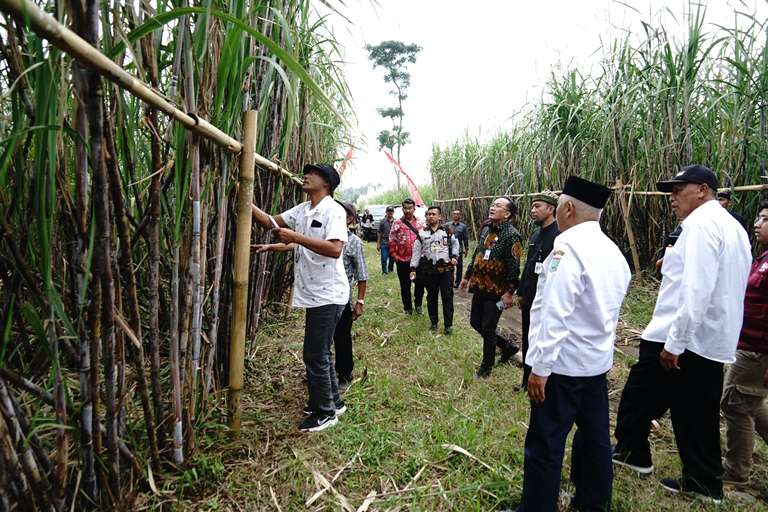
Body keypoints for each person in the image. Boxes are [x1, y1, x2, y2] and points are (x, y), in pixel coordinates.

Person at [612, 165, 751, 502]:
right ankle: (702, 480)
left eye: (678, 190)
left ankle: (635, 454)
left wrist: (675, 343)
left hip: (681, 336)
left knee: (639, 397)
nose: (672, 198)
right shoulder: (732, 228)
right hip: (710, 337)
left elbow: (695, 290)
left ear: (702, 190)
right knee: (695, 412)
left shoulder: (701, 226)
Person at [518, 176, 631, 512]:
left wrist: (540, 368)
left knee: (546, 442)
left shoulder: (566, 249)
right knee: (595, 438)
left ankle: (537, 507)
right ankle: (593, 502)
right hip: (594, 365)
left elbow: (554, 313)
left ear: (567, 208)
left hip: (562, 367)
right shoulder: (613, 251)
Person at [250, 163, 349, 433]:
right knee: (321, 351)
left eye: (312, 173)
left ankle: (325, 413)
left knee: (314, 353)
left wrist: (295, 236)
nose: (305, 176)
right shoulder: (303, 210)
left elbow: (334, 249)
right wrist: (243, 197)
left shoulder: (333, 210)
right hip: (315, 292)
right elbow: (269, 222)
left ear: (326, 183)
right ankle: (333, 402)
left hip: (328, 293)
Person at [720, 200, 768, 485]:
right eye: (759, 218)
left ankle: (736, 471)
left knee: (736, 405)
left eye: (765, 219)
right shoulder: (762, 258)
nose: (757, 224)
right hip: (747, 343)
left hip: (757, 351)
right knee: (750, 402)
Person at [460, 196, 524, 378]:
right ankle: (507, 347)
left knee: (488, 328)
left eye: (498, 205)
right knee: (475, 322)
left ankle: (486, 368)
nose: (492, 207)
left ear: (507, 214)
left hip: (497, 291)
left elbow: (514, 267)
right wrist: (467, 276)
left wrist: (509, 292)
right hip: (480, 286)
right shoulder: (487, 229)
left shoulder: (512, 235)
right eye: (493, 204)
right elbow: (477, 254)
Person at [515, 191, 559, 390]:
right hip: (530, 296)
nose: (532, 210)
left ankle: (544, 379)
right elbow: (529, 265)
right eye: (532, 206)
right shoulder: (535, 234)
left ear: (551, 209)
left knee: (543, 339)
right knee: (528, 337)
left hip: (547, 299)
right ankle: (526, 380)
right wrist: (521, 292)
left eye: (537, 206)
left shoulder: (559, 236)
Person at [334, 202, 368, 391]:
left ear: (349, 219)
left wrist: (359, 302)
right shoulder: (323, 237)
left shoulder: (353, 242)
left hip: (342, 299)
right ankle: (321, 372)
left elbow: (362, 275)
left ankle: (345, 374)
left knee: (342, 338)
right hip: (320, 297)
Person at [410, 206, 459, 334]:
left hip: (446, 270)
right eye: (428, 214)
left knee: (447, 297)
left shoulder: (447, 232)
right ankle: (434, 323)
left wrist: (454, 256)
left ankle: (448, 326)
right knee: (431, 297)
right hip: (429, 271)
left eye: (433, 214)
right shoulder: (422, 234)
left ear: (439, 216)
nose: (430, 216)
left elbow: (455, 244)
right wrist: (413, 268)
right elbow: (416, 252)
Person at [389, 198, 425, 314]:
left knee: (420, 284)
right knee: (405, 286)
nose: (408, 210)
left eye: (410, 208)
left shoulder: (420, 223)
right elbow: (392, 239)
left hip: (418, 260)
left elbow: (426, 239)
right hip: (403, 260)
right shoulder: (397, 223)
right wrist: (394, 255)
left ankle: (418, 305)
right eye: (405, 208)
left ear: (414, 209)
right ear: (402, 209)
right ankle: (408, 308)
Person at [446, 210, 470, 288]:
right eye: (454, 214)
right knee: (449, 265)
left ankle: (457, 282)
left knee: (459, 266)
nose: (456, 215)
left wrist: (466, 249)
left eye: (457, 214)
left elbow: (465, 238)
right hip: (449, 248)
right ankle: (449, 281)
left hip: (459, 249)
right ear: (452, 215)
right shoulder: (447, 225)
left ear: (460, 216)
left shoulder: (463, 226)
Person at [377, 206, 396, 274]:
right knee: (384, 258)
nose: (390, 212)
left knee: (392, 258)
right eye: (389, 211)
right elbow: (379, 232)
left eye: (391, 211)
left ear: (393, 212)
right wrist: (378, 243)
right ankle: (384, 271)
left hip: (393, 243)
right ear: (386, 212)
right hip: (384, 242)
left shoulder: (396, 221)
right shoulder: (382, 221)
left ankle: (390, 270)